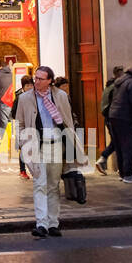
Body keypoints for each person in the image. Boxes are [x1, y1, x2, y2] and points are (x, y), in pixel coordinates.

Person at [15, 65, 83, 238]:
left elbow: (68, 122)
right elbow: (20, 123)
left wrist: (72, 149)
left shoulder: (60, 96)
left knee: (53, 186)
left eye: (40, 79)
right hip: (36, 145)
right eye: (35, 78)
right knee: (39, 184)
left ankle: (53, 223)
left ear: (50, 81)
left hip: (56, 144)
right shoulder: (25, 98)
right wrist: (23, 143)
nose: (36, 81)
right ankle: (41, 224)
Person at [107, 66, 132, 183]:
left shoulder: (118, 82)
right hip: (125, 118)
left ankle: (123, 173)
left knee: (119, 146)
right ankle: (128, 174)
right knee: (128, 146)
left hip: (114, 116)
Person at [95, 66, 124, 175]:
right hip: (114, 118)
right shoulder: (115, 86)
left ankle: (103, 159)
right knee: (118, 142)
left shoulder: (109, 85)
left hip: (108, 117)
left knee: (116, 141)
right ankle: (104, 159)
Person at [15, 75, 34, 179]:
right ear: (23, 87)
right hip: (23, 127)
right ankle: (22, 170)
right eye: (27, 85)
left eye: (31, 85)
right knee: (22, 148)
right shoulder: (20, 98)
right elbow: (14, 113)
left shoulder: (35, 97)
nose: (30, 87)